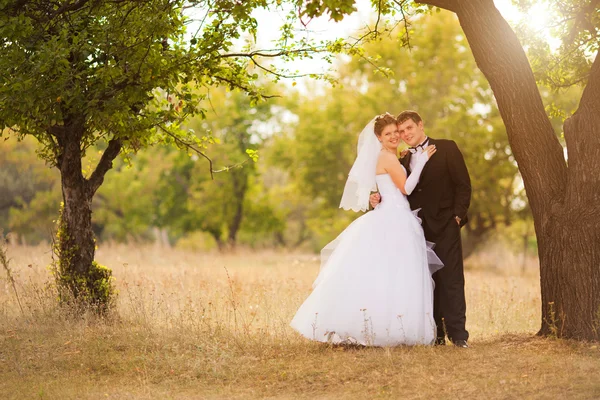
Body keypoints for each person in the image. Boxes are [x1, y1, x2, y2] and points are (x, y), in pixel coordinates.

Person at [290, 113, 442, 346]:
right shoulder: (387, 158)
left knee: (389, 274)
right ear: (379, 138)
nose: (394, 137)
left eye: (396, 132)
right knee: (396, 273)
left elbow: (387, 185)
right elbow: (407, 189)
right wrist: (421, 161)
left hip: (394, 215)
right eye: (388, 134)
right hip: (395, 219)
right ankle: (389, 329)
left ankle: (387, 327)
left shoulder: (392, 156)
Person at [370, 110, 471, 348]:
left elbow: (463, 185)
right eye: (400, 131)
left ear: (420, 125)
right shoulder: (402, 158)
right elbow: (394, 188)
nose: (404, 134)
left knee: (451, 280)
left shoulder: (446, 148)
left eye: (408, 129)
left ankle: (458, 336)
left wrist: (457, 217)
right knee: (425, 281)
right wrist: (375, 198)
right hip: (414, 229)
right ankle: (434, 335)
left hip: (446, 226)